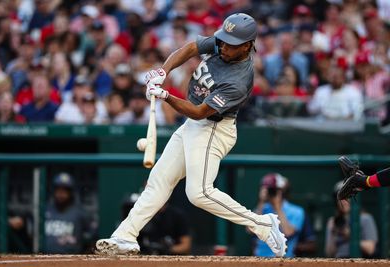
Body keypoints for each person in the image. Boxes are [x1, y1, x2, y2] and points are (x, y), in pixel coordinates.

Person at [95, 13, 287, 256]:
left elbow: (199, 112)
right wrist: (163, 73)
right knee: (159, 180)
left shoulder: (238, 80)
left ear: (247, 46)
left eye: (231, 44)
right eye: (224, 41)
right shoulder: (223, 42)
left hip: (214, 129)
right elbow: (190, 48)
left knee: (199, 193)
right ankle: (125, 235)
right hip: (193, 126)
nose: (224, 47)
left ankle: (262, 224)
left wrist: (166, 96)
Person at [253, 173, 304, 257]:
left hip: (284, 259)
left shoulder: (297, 211)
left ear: (281, 191)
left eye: (273, 190)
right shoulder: (262, 208)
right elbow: (250, 229)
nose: (271, 193)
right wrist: (261, 201)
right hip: (260, 259)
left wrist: (277, 207)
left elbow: (288, 232)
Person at [122, 194, 192, 255]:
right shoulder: (139, 213)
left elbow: (186, 246)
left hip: (169, 258)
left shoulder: (177, 215)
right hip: (144, 256)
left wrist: (166, 249)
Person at [44, 173, 96, 254]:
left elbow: (93, 235)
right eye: (58, 189)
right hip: (44, 258)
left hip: (71, 259)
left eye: (65, 190)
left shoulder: (80, 212)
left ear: (70, 192)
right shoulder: (46, 209)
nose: (61, 194)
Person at [325, 181, 378, 258]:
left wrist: (350, 235)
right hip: (338, 261)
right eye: (340, 198)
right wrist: (333, 233)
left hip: (360, 262)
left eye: (347, 197)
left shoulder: (365, 218)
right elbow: (329, 253)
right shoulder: (334, 221)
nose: (344, 202)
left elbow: (370, 249)